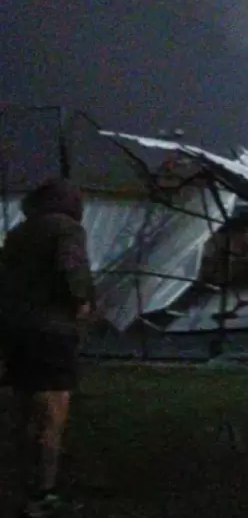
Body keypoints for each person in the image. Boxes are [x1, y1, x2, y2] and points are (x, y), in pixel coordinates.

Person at [0, 178, 95, 517]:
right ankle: (44, 493)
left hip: (17, 332)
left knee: (25, 414)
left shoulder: (18, 233)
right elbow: (71, 270)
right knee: (53, 417)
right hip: (52, 334)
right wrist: (81, 300)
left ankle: (22, 484)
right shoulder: (66, 229)